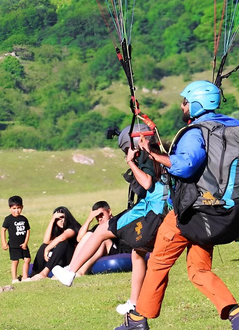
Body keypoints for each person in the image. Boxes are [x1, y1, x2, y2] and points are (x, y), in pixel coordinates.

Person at [113, 81, 239, 330]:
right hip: (214, 209)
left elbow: (185, 165)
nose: (182, 105)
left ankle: (138, 319)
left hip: (187, 212)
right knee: (198, 270)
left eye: (186, 101)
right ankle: (236, 312)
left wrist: (154, 154)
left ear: (197, 103)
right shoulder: (234, 127)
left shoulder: (195, 132)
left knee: (158, 262)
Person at [52, 125, 169, 316]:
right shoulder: (161, 155)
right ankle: (134, 302)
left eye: (126, 150)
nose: (127, 154)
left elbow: (147, 182)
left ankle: (70, 272)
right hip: (163, 214)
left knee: (102, 230)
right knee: (137, 253)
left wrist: (131, 162)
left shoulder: (145, 156)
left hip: (151, 212)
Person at [27, 206, 81, 280]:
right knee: (44, 246)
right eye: (57, 219)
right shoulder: (59, 230)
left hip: (73, 259)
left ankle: (45, 273)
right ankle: (35, 273)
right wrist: (52, 220)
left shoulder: (73, 227)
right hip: (61, 259)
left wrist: (47, 249)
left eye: (62, 217)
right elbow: (46, 241)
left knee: (62, 242)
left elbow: (62, 238)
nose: (61, 221)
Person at [72, 200, 116, 276]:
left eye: (101, 215)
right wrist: (89, 219)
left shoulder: (116, 222)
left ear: (109, 212)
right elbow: (79, 239)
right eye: (97, 217)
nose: (99, 219)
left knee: (101, 239)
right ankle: (71, 268)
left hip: (118, 249)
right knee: (89, 234)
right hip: (104, 250)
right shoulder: (98, 227)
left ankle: (81, 272)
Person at [1, 195, 31, 284]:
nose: (16, 210)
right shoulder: (8, 219)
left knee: (27, 259)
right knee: (15, 261)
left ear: (22, 207)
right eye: (14, 208)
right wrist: (4, 242)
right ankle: (14, 278)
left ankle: (25, 277)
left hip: (23, 245)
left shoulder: (24, 219)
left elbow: (28, 230)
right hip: (13, 245)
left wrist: (26, 242)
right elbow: (3, 230)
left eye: (18, 208)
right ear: (10, 208)